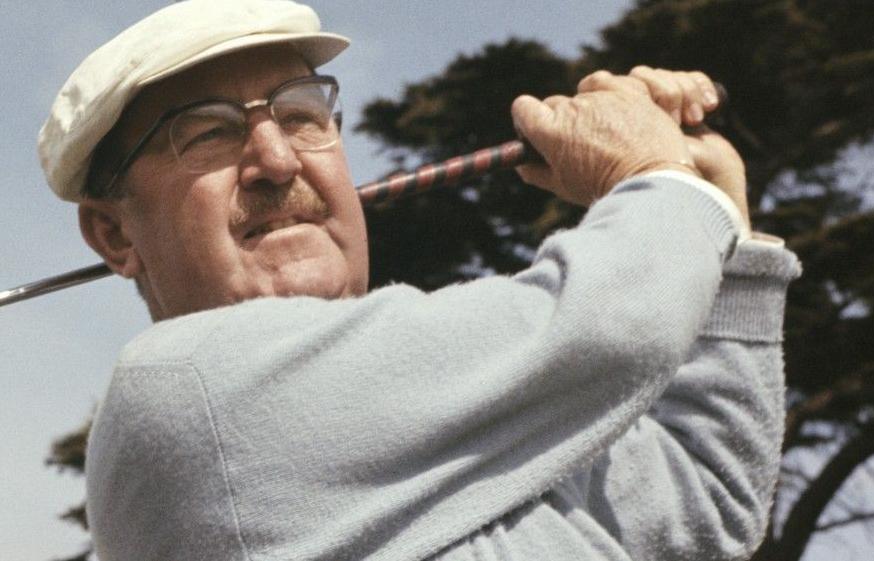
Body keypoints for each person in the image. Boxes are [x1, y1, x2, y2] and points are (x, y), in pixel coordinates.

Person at [37, 1, 800, 560]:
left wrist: (719, 209)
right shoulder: (183, 387)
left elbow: (707, 499)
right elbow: (605, 328)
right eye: (206, 131)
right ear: (112, 232)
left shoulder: (466, 430)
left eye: (301, 114)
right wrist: (655, 176)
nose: (278, 160)